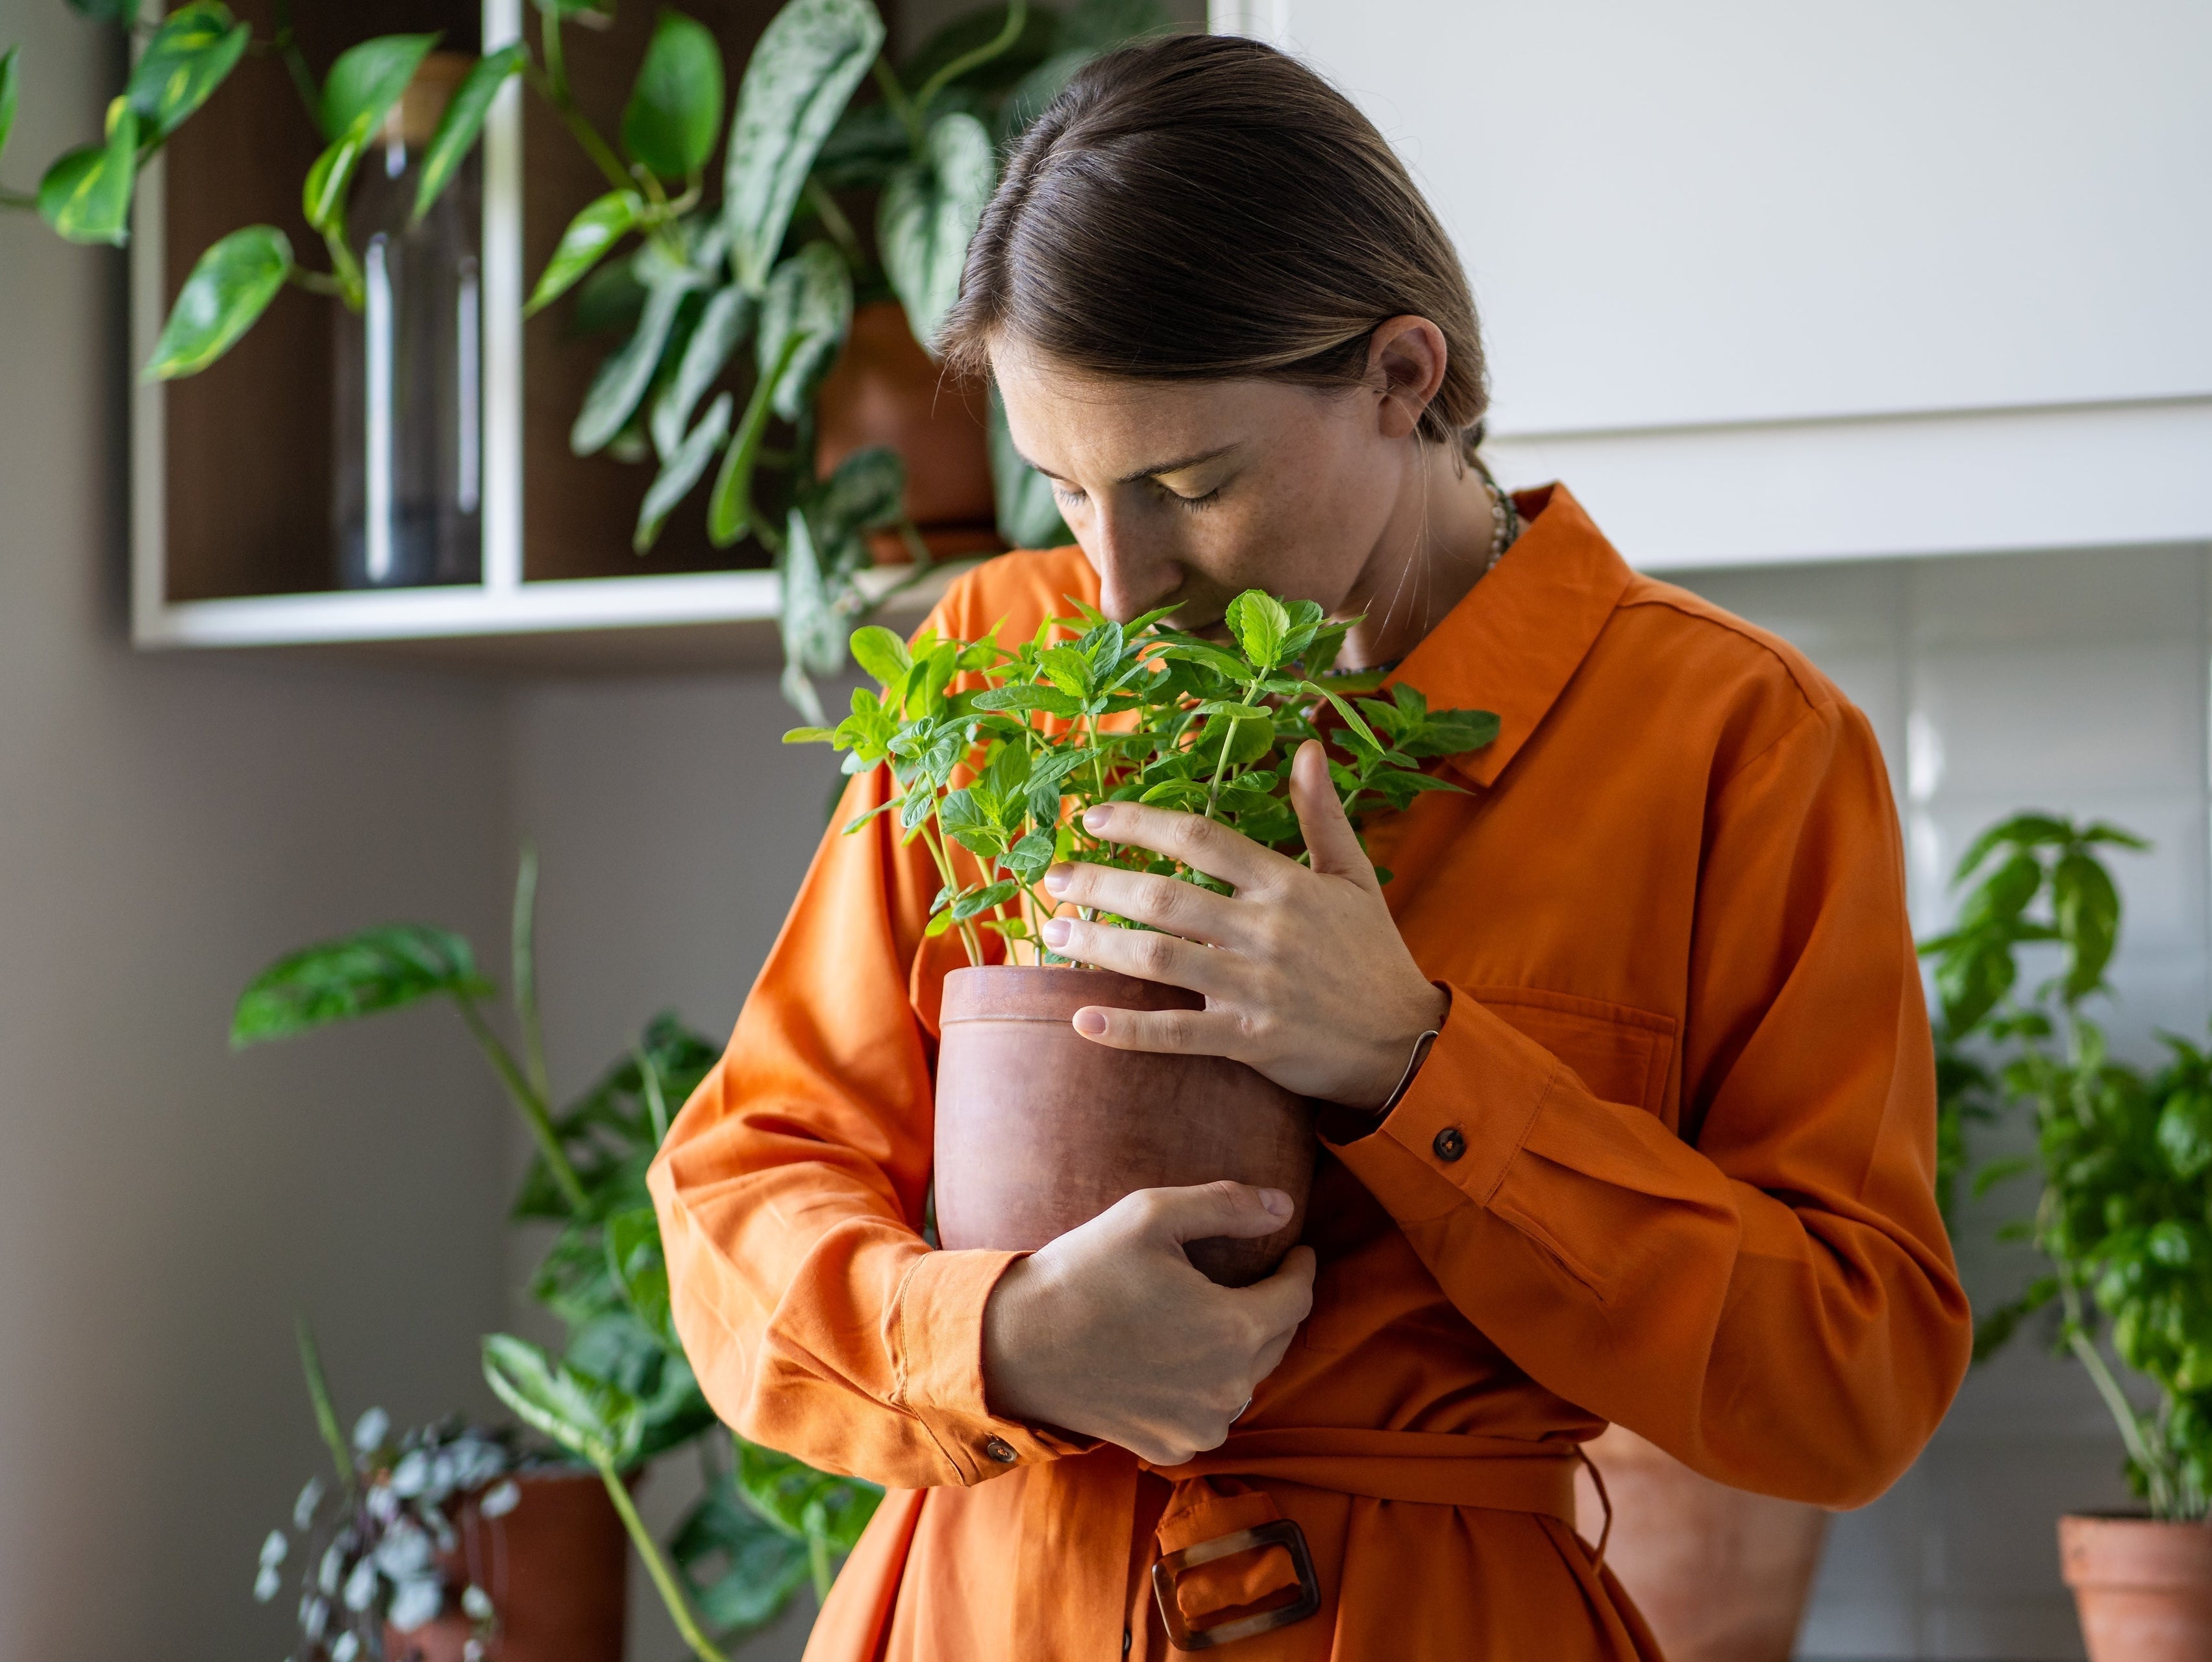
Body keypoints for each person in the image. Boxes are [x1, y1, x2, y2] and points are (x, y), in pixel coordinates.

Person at [651, 32, 1970, 1661]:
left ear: (1404, 376)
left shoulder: (1738, 743)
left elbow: (1855, 1381)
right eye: (1068, 492)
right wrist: (996, 1337)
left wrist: (1421, 1068)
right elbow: (737, 1203)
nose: (1124, 588)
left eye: (1189, 485)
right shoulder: (993, 671)